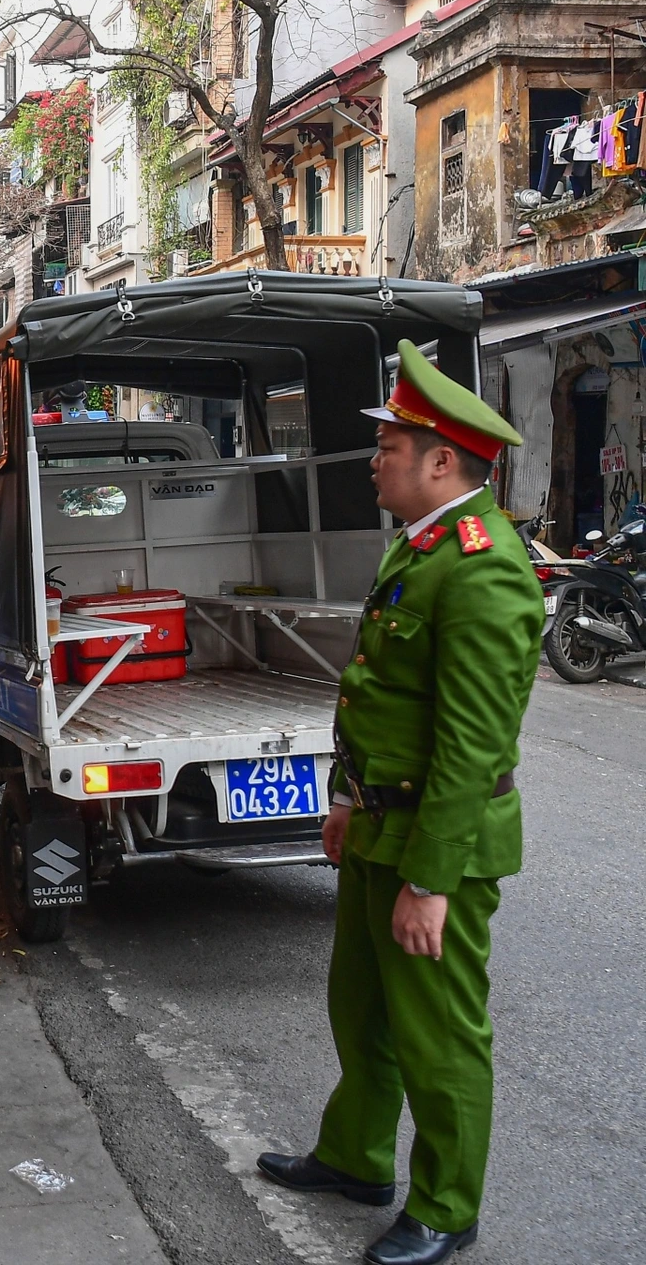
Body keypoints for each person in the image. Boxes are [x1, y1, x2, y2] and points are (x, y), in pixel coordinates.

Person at [257, 341, 541, 1265]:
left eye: (391, 445)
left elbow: (471, 748)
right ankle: (356, 1156)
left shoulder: (484, 568)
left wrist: (432, 880)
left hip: (434, 841)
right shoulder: (421, 549)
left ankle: (449, 1207)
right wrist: (347, 799)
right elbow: (376, 696)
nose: (375, 458)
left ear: (442, 462)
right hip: (381, 819)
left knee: (440, 1031)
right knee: (362, 1006)